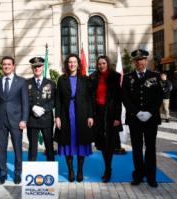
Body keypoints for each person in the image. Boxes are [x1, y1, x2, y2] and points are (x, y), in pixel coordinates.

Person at [122, 49, 163, 188]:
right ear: (134, 62)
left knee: (151, 148)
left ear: (146, 61)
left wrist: (150, 112)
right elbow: (125, 98)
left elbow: (159, 97)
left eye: (142, 59)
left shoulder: (155, 76)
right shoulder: (128, 77)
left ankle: (151, 177)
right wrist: (138, 112)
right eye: (137, 60)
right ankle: (138, 175)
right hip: (135, 118)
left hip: (151, 119)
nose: (140, 62)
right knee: (137, 148)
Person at [54, 54, 94, 183]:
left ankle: (80, 170)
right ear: (67, 64)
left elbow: (89, 100)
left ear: (78, 64)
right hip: (66, 114)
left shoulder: (85, 79)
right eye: (70, 62)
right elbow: (58, 100)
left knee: (81, 141)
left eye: (74, 62)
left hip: (82, 114)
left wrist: (90, 116)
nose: (72, 64)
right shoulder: (61, 80)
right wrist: (57, 117)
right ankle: (71, 170)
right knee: (68, 142)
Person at [0, 56, 29, 185]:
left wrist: (24, 119)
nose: (6, 66)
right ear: (2, 66)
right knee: (1, 149)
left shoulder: (21, 82)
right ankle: (3, 173)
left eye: (9, 64)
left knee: (18, 148)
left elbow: (25, 102)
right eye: (4, 64)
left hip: (16, 120)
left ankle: (18, 173)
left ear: (13, 66)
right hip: (1, 120)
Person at [90, 55, 122, 183]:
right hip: (98, 112)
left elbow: (118, 100)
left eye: (103, 63)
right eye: (99, 64)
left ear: (107, 64)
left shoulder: (115, 77)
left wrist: (117, 117)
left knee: (109, 144)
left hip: (111, 113)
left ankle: (108, 170)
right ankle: (107, 167)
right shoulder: (93, 77)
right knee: (102, 144)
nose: (101, 66)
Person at [27, 57, 55, 161]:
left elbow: (53, 100)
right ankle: (31, 171)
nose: (37, 68)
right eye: (34, 66)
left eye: (39, 66)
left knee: (49, 146)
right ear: (32, 68)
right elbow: (24, 101)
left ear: (43, 67)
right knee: (32, 147)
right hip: (32, 119)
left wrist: (43, 109)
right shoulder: (26, 83)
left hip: (46, 119)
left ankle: (51, 172)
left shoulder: (51, 83)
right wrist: (32, 107)